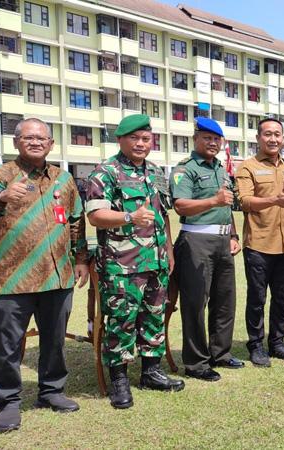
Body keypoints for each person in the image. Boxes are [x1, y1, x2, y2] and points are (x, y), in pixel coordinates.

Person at [0, 118, 89, 432]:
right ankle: (8, 402)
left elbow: (75, 220)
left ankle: (52, 391)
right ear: (16, 142)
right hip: (13, 278)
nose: (35, 142)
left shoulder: (64, 179)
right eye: (28, 137)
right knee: (8, 345)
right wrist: (0, 198)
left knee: (54, 341)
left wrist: (81, 258)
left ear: (51, 144)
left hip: (57, 277)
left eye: (41, 138)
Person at [86, 114, 185, 409]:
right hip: (122, 265)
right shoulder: (105, 174)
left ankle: (151, 372)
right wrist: (129, 217)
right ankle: (119, 379)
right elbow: (95, 217)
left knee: (154, 316)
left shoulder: (154, 172)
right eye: (135, 139)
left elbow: (163, 216)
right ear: (121, 140)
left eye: (146, 139)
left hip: (155, 261)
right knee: (122, 322)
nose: (141, 144)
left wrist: (168, 251)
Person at [169, 117, 244, 382]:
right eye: (207, 138)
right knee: (195, 303)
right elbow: (180, 205)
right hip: (196, 242)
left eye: (217, 139)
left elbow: (227, 205)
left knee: (225, 302)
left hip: (223, 242)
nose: (213, 143)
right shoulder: (185, 169)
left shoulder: (221, 169)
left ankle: (220, 353)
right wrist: (213, 200)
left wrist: (233, 234)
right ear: (196, 139)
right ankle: (196, 362)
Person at [235, 117, 284, 367]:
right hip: (259, 244)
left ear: (283, 139)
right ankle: (256, 345)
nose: (273, 139)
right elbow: (244, 201)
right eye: (267, 134)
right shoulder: (248, 167)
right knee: (257, 299)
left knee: (282, 298)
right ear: (258, 138)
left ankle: (277, 343)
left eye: (277, 134)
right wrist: (272, 200)